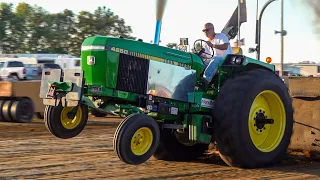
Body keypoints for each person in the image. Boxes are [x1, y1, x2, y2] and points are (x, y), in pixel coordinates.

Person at [200, 22, 234, 89]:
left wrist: (213, 45)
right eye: (203, 30)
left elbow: (225, 46)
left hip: (227, 61)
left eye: (207, 30)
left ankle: (206, 80)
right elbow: (207, 56)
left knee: (216, 58)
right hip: (214, 62)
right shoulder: (206, 43)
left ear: (212, 29)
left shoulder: (221, 36)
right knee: (201, 62)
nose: (205, 32)